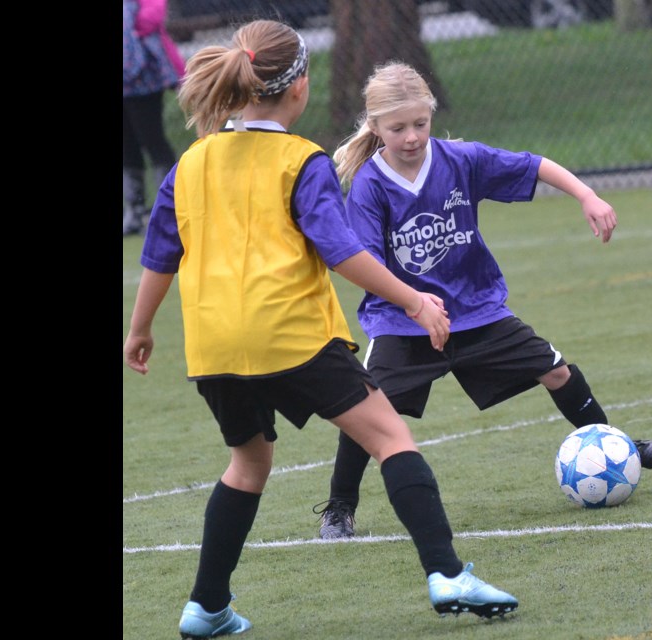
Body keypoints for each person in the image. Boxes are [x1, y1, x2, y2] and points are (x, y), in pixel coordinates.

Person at [123, 22, 518, 639]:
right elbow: (341, 251)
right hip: (293, 336)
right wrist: (414, 299)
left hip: (214, 346)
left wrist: (139, 329)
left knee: (247, 464)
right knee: (391, 437)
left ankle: (206, 607)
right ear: (299, 86)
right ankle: (447, 573)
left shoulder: (190, 162)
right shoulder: (300, 160)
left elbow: (159, 253)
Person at [313, 61, 652, 540]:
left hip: (476, 309)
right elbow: (366, 265)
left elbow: (532, 165)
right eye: (398, 128)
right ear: (374, 126)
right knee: (367, 409)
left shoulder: (461, 160)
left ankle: (614, 445)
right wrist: (414, 303)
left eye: (420, 124)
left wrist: (587, 194)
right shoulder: (369, 186)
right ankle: (339, 509)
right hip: (404, 322)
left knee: (557, 369)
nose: (412, 137)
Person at [123, 0, 185, 236]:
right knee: (127, 146)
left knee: (153, 140)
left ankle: (169, 206)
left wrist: (128, 24)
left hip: (144, 78)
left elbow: (153, 16)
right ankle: (134, 209)